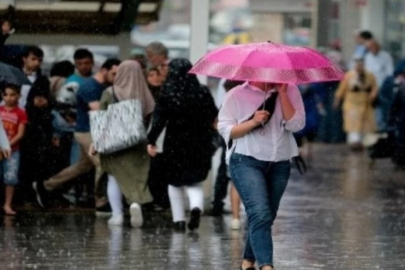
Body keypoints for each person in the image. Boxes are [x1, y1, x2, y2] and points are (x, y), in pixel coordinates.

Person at [218, 81, 305, 270]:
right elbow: (226, 130)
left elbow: (297, 125)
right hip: (246, 160)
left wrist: (282, 94)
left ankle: (248, 261)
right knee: (260, 212)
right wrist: (253, 121)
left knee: (267, 216)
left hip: (280, 161)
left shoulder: (290, 90)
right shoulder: (236, 94)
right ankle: (267, 266)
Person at [32, 59, 121, 213]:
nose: (116, 77)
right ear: (104, 70)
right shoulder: (90, 87)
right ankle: (101, 202)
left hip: (89, 130)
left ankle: (46, 185)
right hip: (87, 131)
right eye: (114, 73)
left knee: (82, 166)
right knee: (103, 164)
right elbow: (98, 109)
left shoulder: (99, 86)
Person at [147, 59, 217, 232]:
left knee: (174, 182)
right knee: (195, 181)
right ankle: (195, 207)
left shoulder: (168, 92)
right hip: (200, 142)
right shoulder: (202, 91)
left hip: (175, 142)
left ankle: (178, 220)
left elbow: (158, 121)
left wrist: (151, 140)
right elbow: (213, 115)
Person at [95, 61, 155, 227]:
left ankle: (117, 215)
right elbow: (151, 117)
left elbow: (101, 118)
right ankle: (135, 203)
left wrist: (97, 142)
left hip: (114, 141)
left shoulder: (109, 92)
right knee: (137, 177)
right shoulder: (144, 93)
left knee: (114, 176)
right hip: (138, 142)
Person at [334, 58, 378, 151]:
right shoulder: (349, 76)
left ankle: (363, 143)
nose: (359, 67)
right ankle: (354, 143)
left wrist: (371, 97)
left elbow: (374, 88)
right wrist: (337, 101)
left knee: (365, 125)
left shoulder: (370, 75)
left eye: (361, 65)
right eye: (358, 65)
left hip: (365, 103)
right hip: (352, 103)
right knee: (353, 125)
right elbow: (341, 90)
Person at [0, 84, 27, 215]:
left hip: (12, 150)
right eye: (6, 95)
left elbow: (20, 134)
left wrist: (7, 144)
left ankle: (7, 204)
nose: (9, 98)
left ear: (19, 96)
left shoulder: (20, 113)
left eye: (12, 95)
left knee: (10, 177)